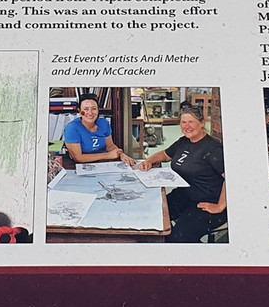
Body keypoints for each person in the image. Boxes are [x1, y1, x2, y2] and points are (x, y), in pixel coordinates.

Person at [137, 103, 225, 243]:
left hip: (208, 202)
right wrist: (150, 160)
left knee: (179, 237)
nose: (187, 126)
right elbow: (165, 155)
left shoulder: (213, 148)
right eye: (183, 122)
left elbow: (232, 179)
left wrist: (220, 206)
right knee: (152, 215)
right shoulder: (184, 142)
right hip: (186, 195)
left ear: (202, 123)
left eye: (191, 122)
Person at [63, 93, 133, 164]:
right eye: (85, 109)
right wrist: (107, 156)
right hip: (83, 166)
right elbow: (78, 157)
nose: (90, 113)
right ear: (80, 111)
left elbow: (110, 146)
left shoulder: (104, 123)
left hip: (105, 164)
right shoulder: (72, 128)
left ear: (98, 110)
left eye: (94, 109)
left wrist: (121, 154)